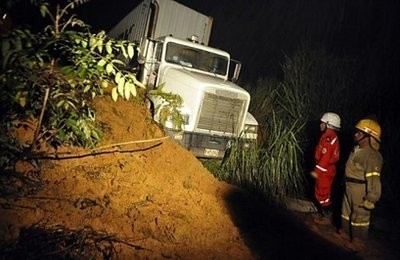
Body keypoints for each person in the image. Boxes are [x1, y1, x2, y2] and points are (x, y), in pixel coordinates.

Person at [339, 118, 383, 246]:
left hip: (360, 189)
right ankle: (345, 232)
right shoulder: (356, 149)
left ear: (368, 136)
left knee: (360, 215)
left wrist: (372, 197)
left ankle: (358, 241)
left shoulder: (372, 156)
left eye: (359, 132)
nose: (355, 134)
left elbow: (374, 179)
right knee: (346, 211)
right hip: (349, 186)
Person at [310, 112, 341, 224]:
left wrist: (317, 171)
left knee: (323, 194)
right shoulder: (328, 136)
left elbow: (325, 158)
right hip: (325, 169)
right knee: (320, 191)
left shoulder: (328, 138)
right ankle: (322, 213)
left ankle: (327, 216)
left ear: (328, 124)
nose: (320, 125)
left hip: (325, 171)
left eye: (322, 123)